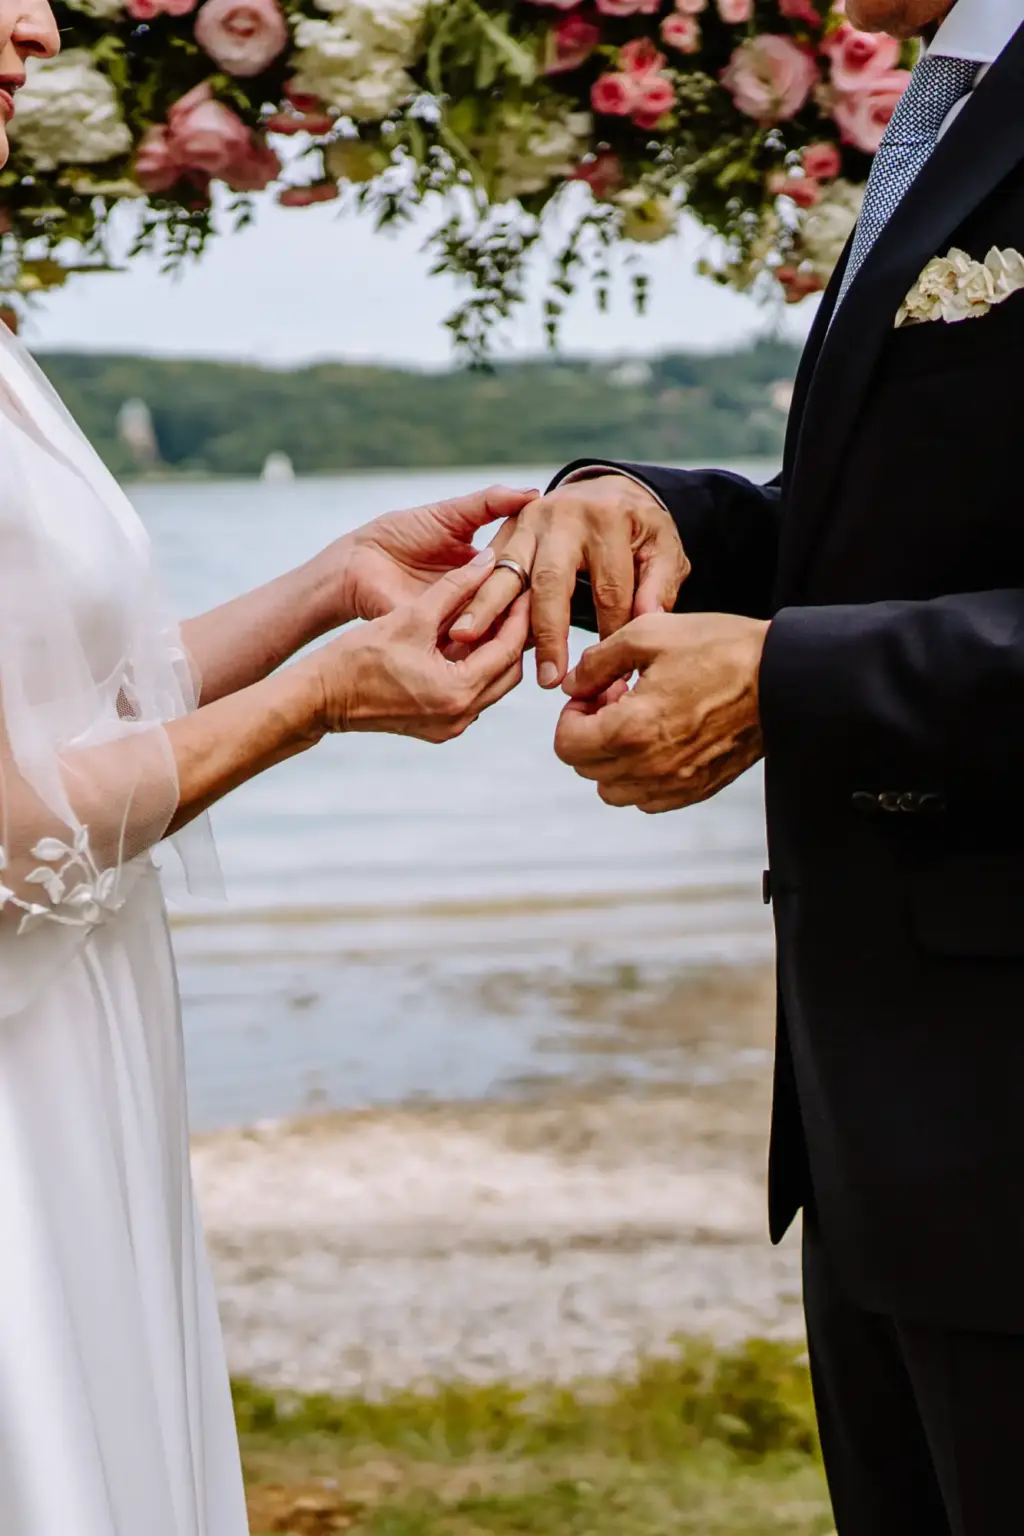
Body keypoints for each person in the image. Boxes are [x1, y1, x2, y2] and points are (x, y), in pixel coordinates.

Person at [455, 0, 1024, 1528]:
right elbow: (912, 503)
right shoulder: (961, 78)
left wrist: (792, 676)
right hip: (891, 1135)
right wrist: (664, 511)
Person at [0, 6, 538, 1528]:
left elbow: (65, 708)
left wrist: (322, 587)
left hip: (74, 1038)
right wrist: (315, 704)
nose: (38, 19)